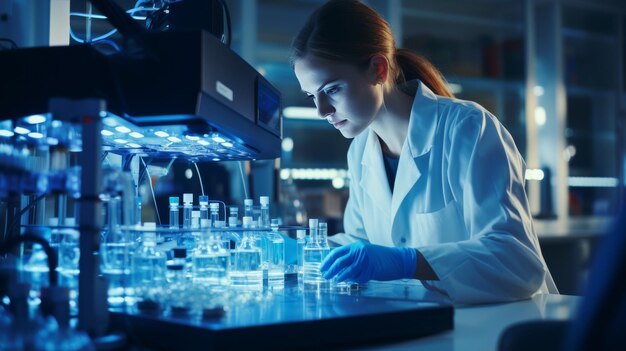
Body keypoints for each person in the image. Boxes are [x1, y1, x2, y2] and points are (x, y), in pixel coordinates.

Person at [290, 0, 558, 304]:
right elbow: (364, 244)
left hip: (503, 327)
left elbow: (516, 263)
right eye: (312, 95)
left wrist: (407, 261)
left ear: (378, 69)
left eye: (332, 89)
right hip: (425, 323)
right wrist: (300, 249)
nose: (321, 110)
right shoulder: (361, 150)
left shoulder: (467, 128)